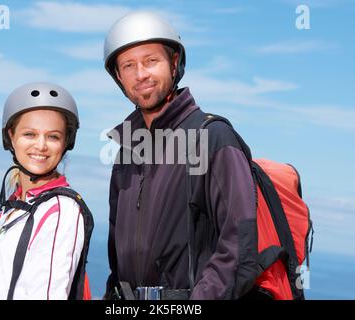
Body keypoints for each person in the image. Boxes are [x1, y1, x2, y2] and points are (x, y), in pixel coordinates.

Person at [103, 11, 258, 300]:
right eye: (128, 65)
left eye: (151, 61)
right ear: (118, 77)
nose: (141, 74)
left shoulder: (212, 137)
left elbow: (239, 251)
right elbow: (117, 260)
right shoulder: (126, 153)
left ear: (174, 63)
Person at [0, 82, 94, 300]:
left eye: (53, 136)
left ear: (66, 142)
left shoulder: (60, 209)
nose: (41, 145)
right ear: (11, 135)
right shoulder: (14, 209)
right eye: (30, 134)